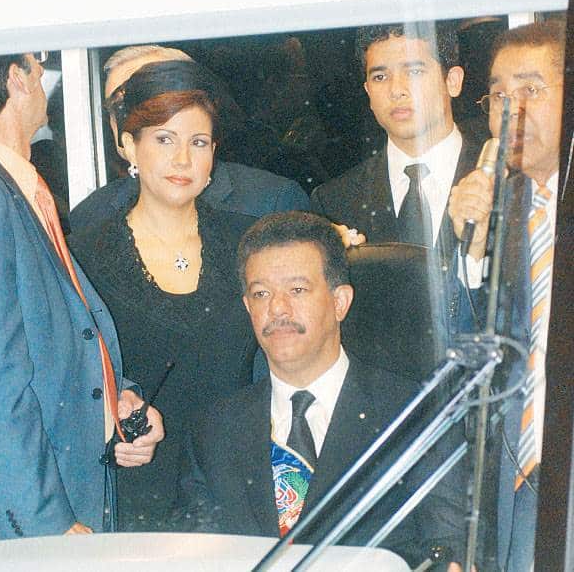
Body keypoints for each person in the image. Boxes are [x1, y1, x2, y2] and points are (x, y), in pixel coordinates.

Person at [0, 54, 162, 548]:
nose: (45, 81)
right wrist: (47, 526)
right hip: (16, 525)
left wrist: (114, 396)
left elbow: (44, 339)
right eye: (38, 70)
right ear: (14, 80)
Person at [177, 211, 466, 569]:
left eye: (297, 290)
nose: (277, 309)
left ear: (340, 302)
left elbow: (448, 552)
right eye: (261, 293)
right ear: (248, 306)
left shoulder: (416, 416)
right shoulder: (214, 430)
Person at [68, 58, 259, 531]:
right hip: (136, 495)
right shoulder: (84, 255)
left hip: (237, 494)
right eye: (163, 139)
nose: (182, 161)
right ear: (128, 146)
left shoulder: (250, 245)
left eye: (198, 142)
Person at [448, 20, 567, 572]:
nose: (509, 109)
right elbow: (470, 350)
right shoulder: (506, 204)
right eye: (498, 93)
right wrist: (470, 247)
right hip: (518, 482)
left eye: (531, 90)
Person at [311, 23, 483, 340]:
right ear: (367, 92)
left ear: (453, 80)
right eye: (380, 76)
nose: (396, 89)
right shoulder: (335, 201)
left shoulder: (504, 180)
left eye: (414, 72)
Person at [69, 44, 309, 233]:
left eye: (153, 97)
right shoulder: (92, 214)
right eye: (118, 105)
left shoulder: (269, 202)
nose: (130, 114)